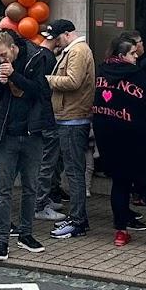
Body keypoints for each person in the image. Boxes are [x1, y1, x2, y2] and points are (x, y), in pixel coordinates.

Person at [92, 34, 146, 249]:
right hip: (139, 139)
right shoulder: (135, 74)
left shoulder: (101, 72)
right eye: (132, 53)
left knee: (120, 184)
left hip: (110, 138)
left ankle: (121, 232)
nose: (136, 57)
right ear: (122, 55)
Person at [0, 31, 54, 260]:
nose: (1, 60)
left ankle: (26, 234)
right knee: (3, 189)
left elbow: (40, 92)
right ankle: (2, 240)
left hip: (31, 132)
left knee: (30, 187)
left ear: (14, 47)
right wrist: (0, 81)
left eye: (4, 55)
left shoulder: (36, 58)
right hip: (7, 134)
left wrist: (14, 76)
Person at [44, 19, 95, 240]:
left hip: (73, 118)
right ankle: (76, 217)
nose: (55, 43)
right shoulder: (74, 50)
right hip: (69, 117)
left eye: (56, 38)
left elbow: (73, 81)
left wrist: (47, 79)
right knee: (73, 171)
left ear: (66, 34)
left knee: (74, 172)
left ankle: (77, 221)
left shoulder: (78, 51)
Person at [33, 23, 65, 221]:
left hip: (39, 117)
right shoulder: (48, 58)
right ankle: (40, 203)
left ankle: (43, 199)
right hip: (46, 116)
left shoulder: (37, 53)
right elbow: (47, 88)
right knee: (47, 162)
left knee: (45, 161)